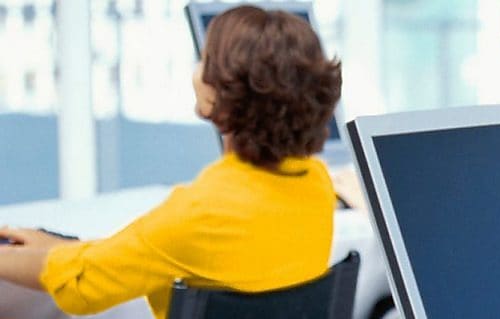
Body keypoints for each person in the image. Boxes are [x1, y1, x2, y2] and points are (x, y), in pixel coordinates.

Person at [0, 6, 342, 318]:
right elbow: (159, 251)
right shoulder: (316, 185)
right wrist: (67, 249)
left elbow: (82, 283)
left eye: (204, 60)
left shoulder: (201, 212)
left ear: (225, 92)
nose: (197, 71)